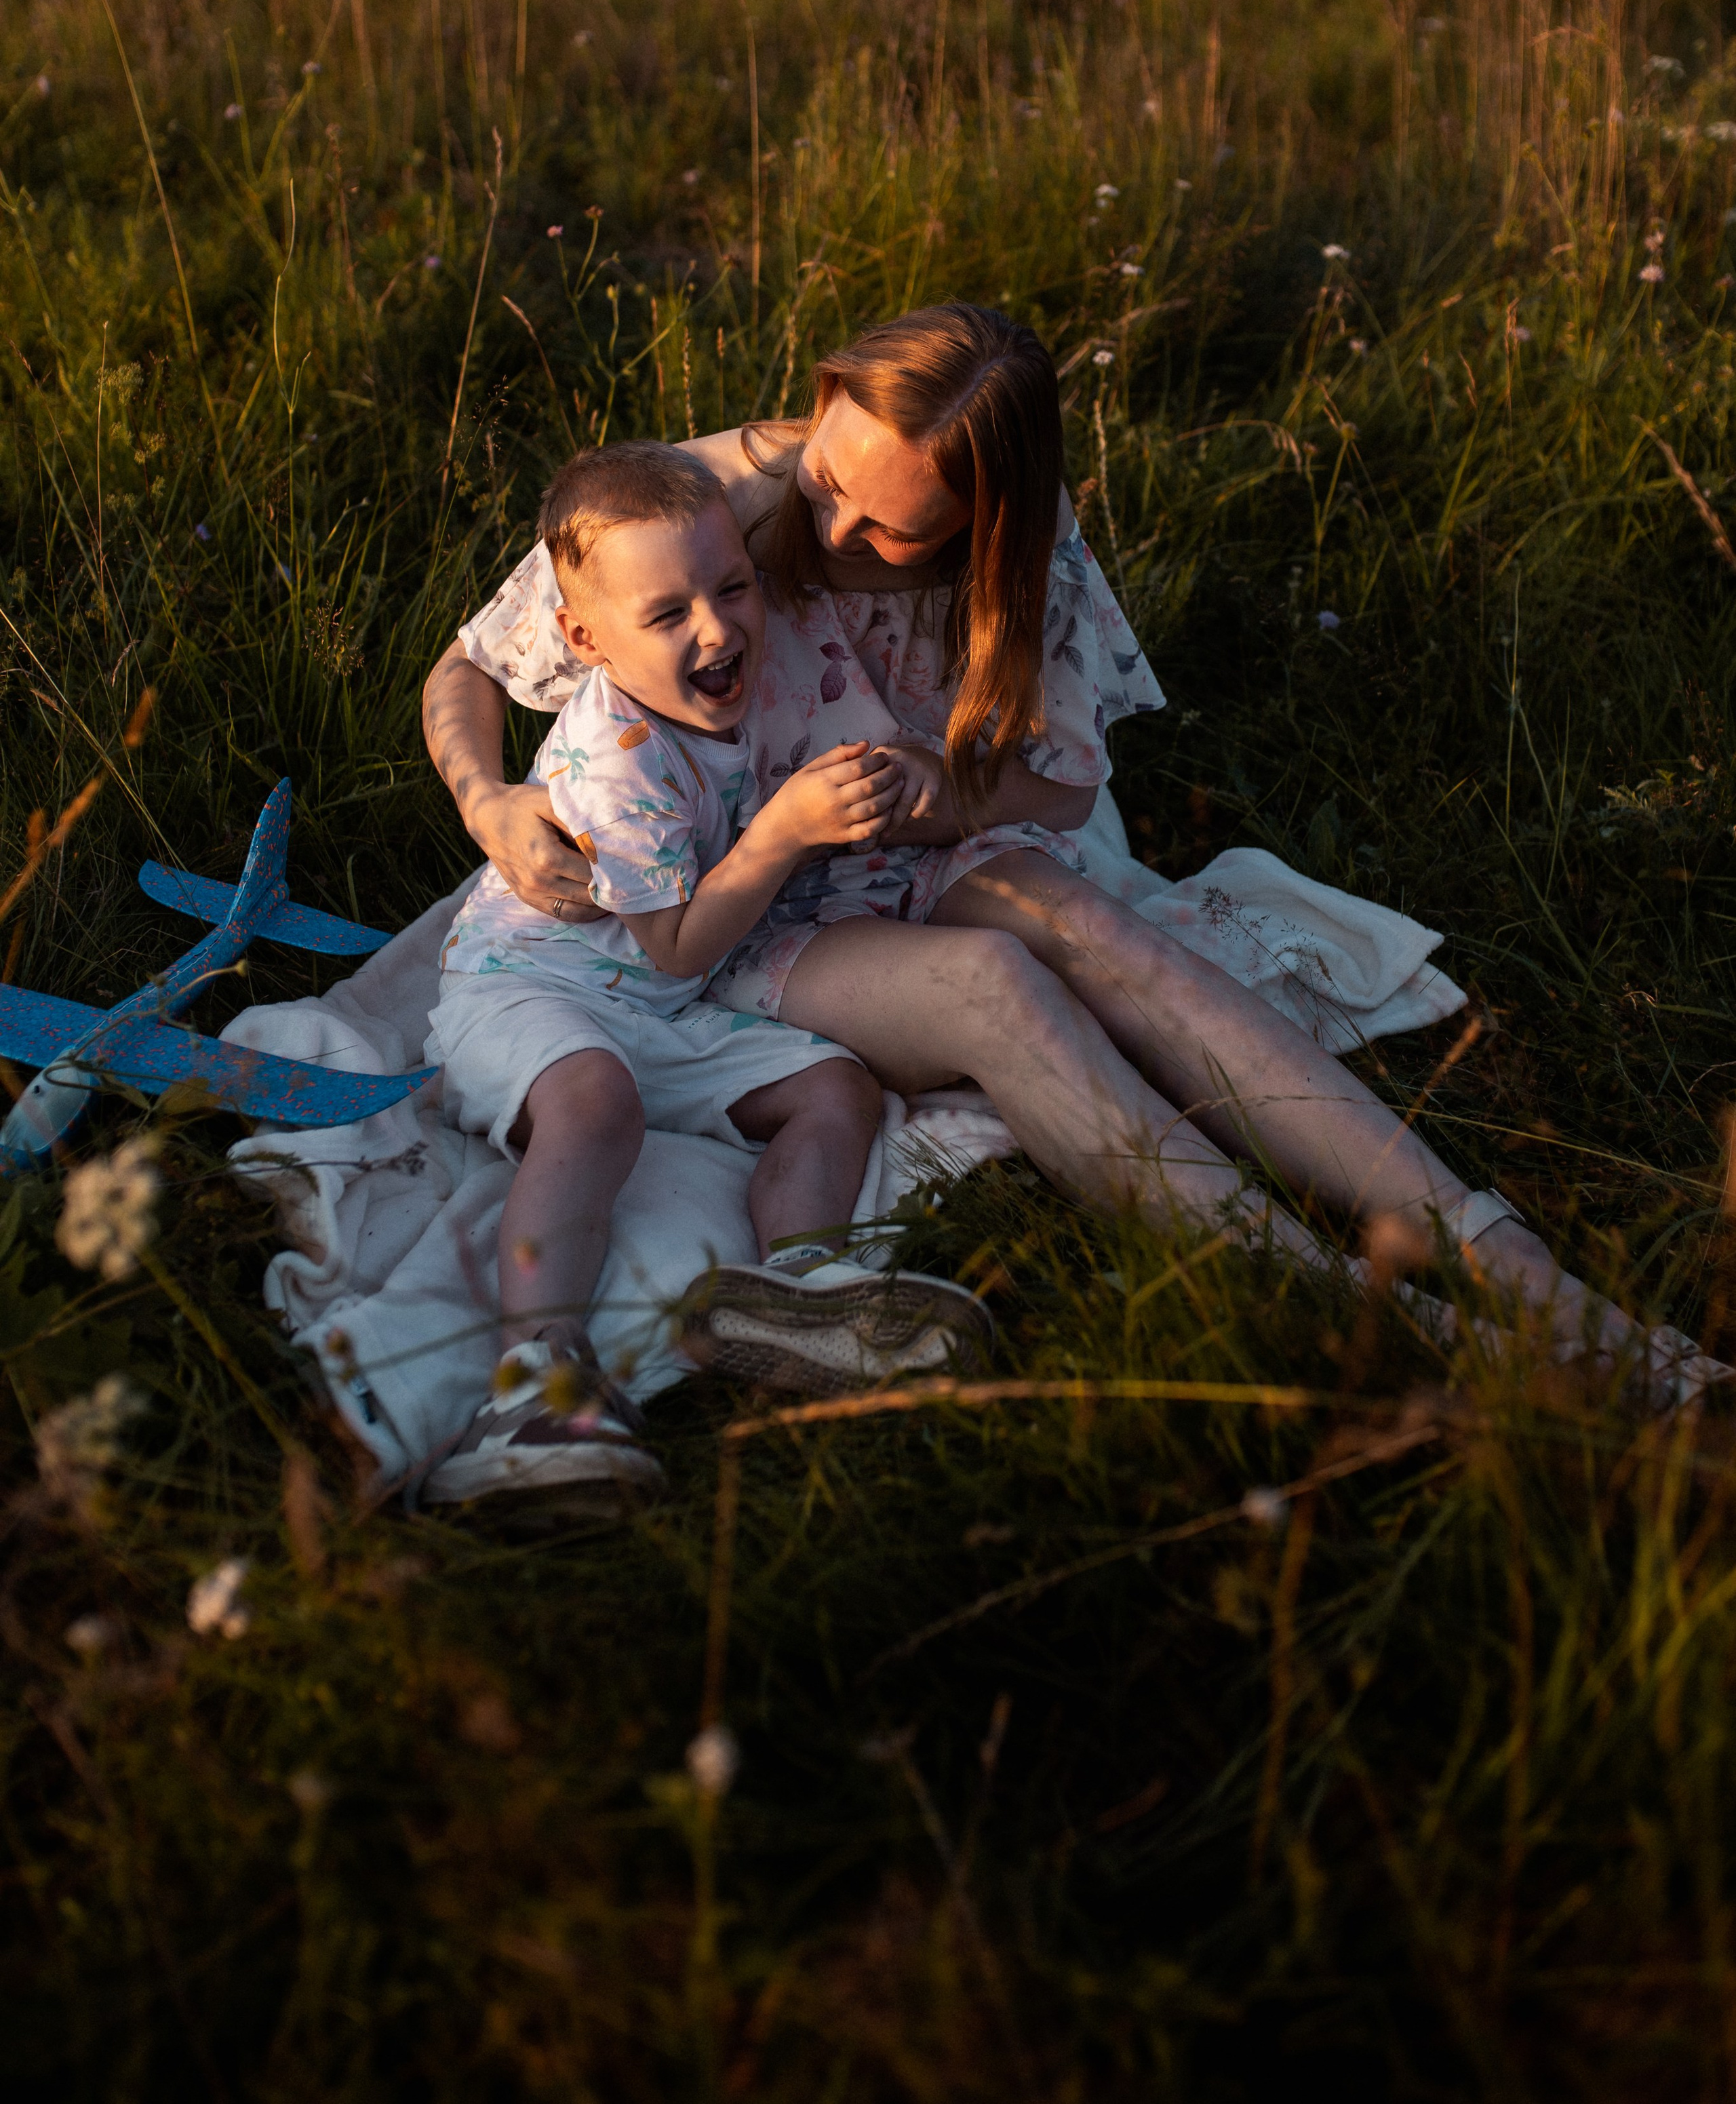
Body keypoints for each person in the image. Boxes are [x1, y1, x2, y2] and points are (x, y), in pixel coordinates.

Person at [425, 306, 1725, 1405]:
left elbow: (1055, 787)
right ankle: (1364, 1311)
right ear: (820, 413)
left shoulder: (1025, 551)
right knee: (999, 986)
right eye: (828, 486)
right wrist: (488, 801)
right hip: (731, 904)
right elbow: (469, 671)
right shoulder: (703, 509)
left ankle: (1517, 1272)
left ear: (983, 526)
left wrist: (939, 795)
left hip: (900, 854)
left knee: (1098, 930)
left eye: (892, 536)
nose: (831, 541)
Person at [422, 441, 991, 1509]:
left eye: (732, 589)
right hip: (539, 987)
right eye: (669, 615)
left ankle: (802, 1287)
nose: (719, 629)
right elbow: (679, 940)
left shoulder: (722, 684)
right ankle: (533, 1380)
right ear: (585, 641)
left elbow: (685, 966)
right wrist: (782, 835)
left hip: (672, 999)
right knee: (595, 1105)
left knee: (837, 1089)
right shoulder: (617, 755)